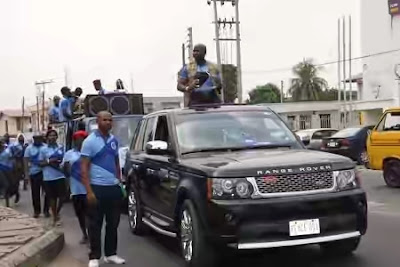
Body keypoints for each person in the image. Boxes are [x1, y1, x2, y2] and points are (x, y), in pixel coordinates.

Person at [81, 111, 125, 267]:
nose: (108, 122)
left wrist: (119, 181)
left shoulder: (114, 140)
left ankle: (111, 254)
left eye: (110, 120)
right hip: (97, 188)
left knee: (113, 223)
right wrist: (89, 191)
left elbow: (116, 161)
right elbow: (84, 167)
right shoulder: (89, 142)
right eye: (105, 119)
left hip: (113, 187)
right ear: (98, 121)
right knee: (95, 224)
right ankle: (94, 257)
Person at [62, 130, 89, 244]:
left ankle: (92, 233)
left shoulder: (90, 153)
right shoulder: (69, 154)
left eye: (83, 140)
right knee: (80, 213)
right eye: (78, 140)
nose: (80, 142)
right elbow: (65, 171)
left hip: (89, 189)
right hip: (76, 189)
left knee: (90, 213)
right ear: (75, 141)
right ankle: (84, 233)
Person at [39, 129, 66, 225]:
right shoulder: (43, 149)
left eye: (54, 135)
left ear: (57, 137)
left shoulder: (61, 147)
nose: (52, 137)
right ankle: (54, 217)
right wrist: (50, 161)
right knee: (52, 198)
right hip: (48, 177)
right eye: (50, 135)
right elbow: (40, 163)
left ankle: (56, 212)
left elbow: (64, 160)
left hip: (60, 176)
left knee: (63, 197)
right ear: (47, 137)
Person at [24, 133, 50, 218]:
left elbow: (49, 159)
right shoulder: (29, 148)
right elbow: (25, 161)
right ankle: (36, 211)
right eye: (36, 138)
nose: (37, 140)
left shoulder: (46, 147)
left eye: (39, 138)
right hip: (34, 173)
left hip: (46, 172)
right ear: (33, 139)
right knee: (35, 193)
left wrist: (45, 163)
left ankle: (46, 210)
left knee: (47, 192)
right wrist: (26, 175)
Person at [0, 138, 15, 207]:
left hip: (9, 169)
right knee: (6, 185)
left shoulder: (7, 150)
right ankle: (5, 203)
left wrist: (13, 168)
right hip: (1, 170)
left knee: (11, 185)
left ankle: (7, 202)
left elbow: (12, 159)